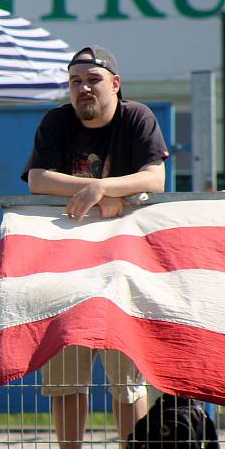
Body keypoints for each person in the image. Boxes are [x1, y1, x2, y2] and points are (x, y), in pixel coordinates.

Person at [21, 45, 169, 448]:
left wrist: (103, 186)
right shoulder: (56, 121)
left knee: (127, 381)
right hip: (67, 265)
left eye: (93, 79)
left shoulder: (136, 116)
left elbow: (155, 177)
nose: (83, 88)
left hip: (126, 266)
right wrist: (97, 191)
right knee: (65, 377)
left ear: (115, 84)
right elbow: (37, 179)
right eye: (75, 81)